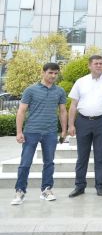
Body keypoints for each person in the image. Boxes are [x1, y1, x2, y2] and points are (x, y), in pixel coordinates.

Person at [11, 63, 67, 205]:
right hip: (31, 132)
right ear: (43, 73)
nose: (53, 76)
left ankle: (46, 190)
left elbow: (62, 111)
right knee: (25, 163)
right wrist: (19, 132)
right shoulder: (31, 90)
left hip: (50, 132)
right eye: (50, 73)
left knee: (49, 163)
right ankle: (20, 191)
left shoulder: (59, 91)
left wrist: (64, 130)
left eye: (56, 73)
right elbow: (21, 111)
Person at [68, 55, 102, 198]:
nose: (98, 66)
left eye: (101, 63)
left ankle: (100, 186)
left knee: (100, 156)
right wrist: (71, 125)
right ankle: (79, 186)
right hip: (83, 121)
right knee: (82, 156)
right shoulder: (80, 82)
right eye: (96, 63)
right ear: (89, 65)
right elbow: (73, 104)